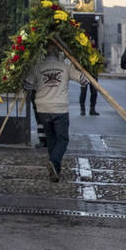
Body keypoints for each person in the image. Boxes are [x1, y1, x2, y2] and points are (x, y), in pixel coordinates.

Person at [23, 43, 86, 182]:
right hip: (60, 108)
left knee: (51, 138)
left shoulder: (37, 68)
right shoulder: (65, 67)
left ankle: (55, 171)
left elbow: (27, 85)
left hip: (43, 108)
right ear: (59, 53)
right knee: (62, 139)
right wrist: (80, 67)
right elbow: (83, 81)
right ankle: (54, 161)